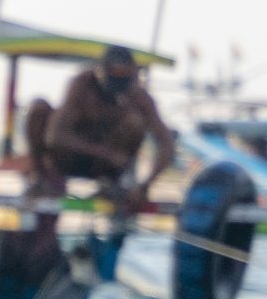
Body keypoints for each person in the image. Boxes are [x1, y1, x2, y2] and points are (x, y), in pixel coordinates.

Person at [21, 45, 177, 210]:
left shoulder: (139, 98)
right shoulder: (81, 85)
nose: (117, 87)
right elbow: (54, 136)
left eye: (123, 79)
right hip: (69, 159)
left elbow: (167, 144)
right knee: (38, 108)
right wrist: (105, 153)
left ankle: (111, 185)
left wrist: (145, 185)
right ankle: (41, 179)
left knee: (135, 122)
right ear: (99, 71)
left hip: (105, 168)